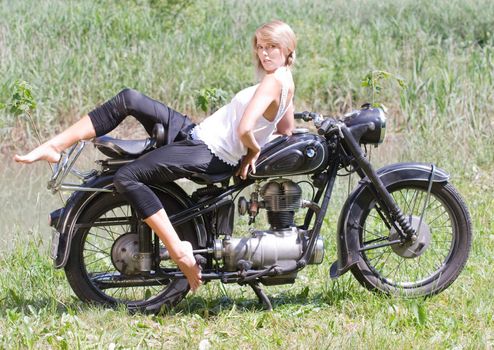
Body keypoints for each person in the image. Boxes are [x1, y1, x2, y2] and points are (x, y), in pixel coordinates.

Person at [14, 20, 297, 292]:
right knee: (130, 99)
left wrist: (253, 149)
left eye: (271, 46)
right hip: (196, 135)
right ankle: (55, 145)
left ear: (287, 48)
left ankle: (179, 250)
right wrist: (260, 140)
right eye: (260, 47)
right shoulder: (285, 81)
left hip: (208, 153)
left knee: (127, 177)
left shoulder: (273, 82)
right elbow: (286, 128)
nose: (263, 53)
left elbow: (246, 126)